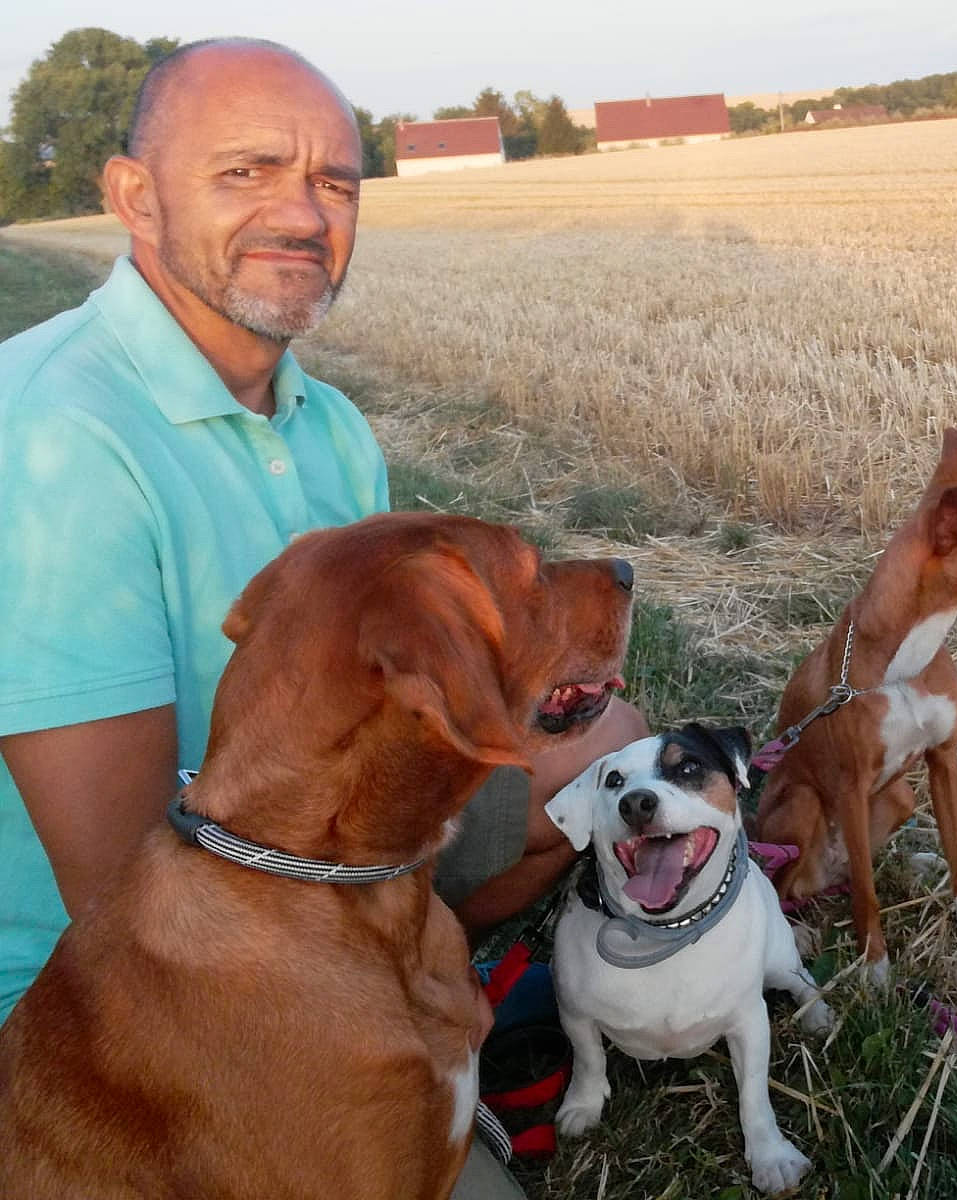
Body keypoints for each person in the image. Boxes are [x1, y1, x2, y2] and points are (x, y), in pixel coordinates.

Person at [0, 37, 639, 1196]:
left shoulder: (330, 423)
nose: (302, 214)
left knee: (607, 741)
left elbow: (402, 696)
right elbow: (120, 896)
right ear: (132, 196)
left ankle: (443, 1009)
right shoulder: (43, 441)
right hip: (130, 982)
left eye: (334, 181)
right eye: (245, 173)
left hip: (325, 862)